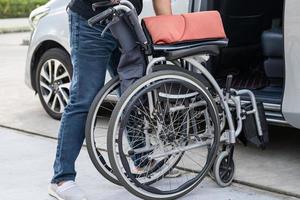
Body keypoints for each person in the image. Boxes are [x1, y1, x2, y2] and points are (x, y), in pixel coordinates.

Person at [48, 0, 172, 200]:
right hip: (91, 22)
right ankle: (61, 179)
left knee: (133, 93)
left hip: (125, 21)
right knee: (84, 99)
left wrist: (170, 30)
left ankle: (142, 161)